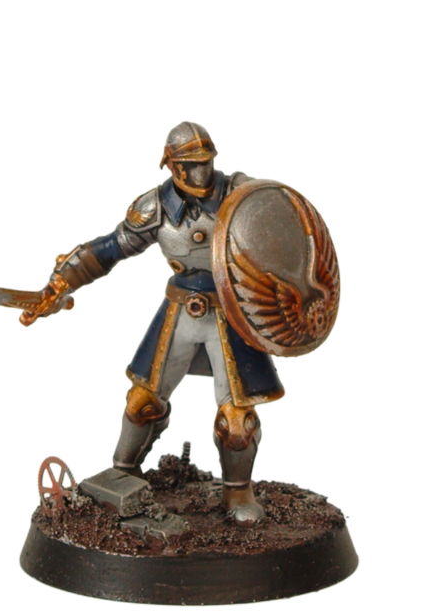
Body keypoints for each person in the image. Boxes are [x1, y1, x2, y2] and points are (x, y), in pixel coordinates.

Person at [46, 123, 284, 523]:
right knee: (141, 403)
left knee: (237, 420)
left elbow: (280, 228)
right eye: (192, 164)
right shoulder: (154, 207)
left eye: (206, 162)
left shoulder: (239, 194)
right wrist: (64, 279)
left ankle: (237, 491)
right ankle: (124, 473)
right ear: (173, 166)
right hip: (179, 313)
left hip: (230, 313)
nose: (201, 172)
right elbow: (114, 246)